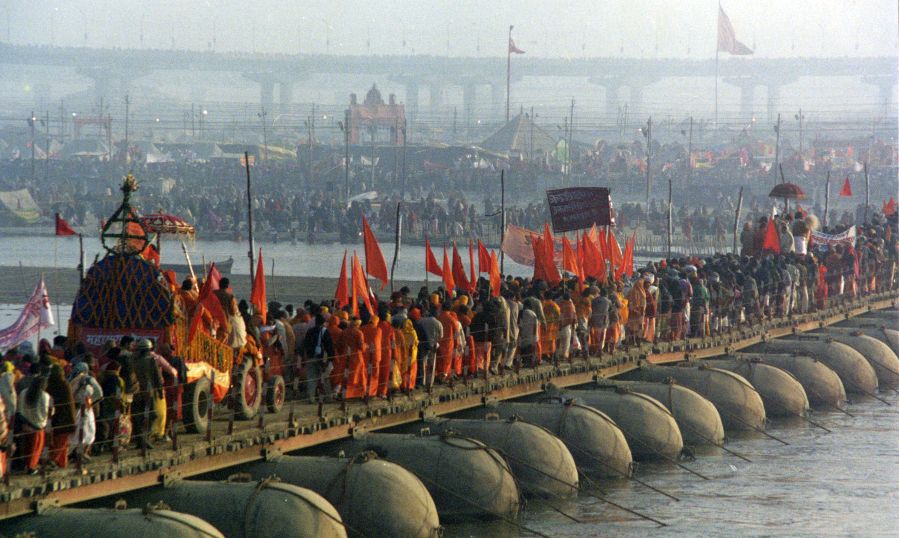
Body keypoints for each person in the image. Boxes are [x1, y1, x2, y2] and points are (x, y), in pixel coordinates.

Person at [67, 362, 103, 462]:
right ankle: (80, 453)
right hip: (85, 409)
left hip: (74, 409)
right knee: (88, 431)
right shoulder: (88, 379)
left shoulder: (70, 378)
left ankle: (75, 454)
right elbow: (99, 393)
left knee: (77, 432)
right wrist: (91, 402)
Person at [132, 339, 164, 449]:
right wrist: (160, 392)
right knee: (152, 415)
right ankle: (144, 438)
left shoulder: (133, 360)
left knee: (138, 417)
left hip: (136, 392)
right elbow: (157, 377)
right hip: (148, 393)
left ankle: (139, 440)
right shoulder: (151, 361)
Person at [15, 375, 51, 474]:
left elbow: (19, 409)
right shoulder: (45, 396)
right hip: (38, 425)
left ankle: (24, 465)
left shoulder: (23, 393)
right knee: (36, 448)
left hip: (24, 424)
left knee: (25, 447)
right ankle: (31, 467)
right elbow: (47, 412)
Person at [46, 364, 76, 469]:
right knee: (62, 442)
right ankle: (60, 462)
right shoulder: (64, 384)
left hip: (54, 418)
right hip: (66, 419)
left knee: (57, 442)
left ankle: (55, 461)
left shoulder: (49, 385)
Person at [301, 313, 335, 403]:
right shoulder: (325, 331)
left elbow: (305, 344)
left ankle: (311, 398)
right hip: (322, 359)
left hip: (310, 357)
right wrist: (331, 359)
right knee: (325, 378)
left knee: (311, 379)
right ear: (323, 322)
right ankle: (328, 398)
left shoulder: (309, 331)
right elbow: (329, 346)